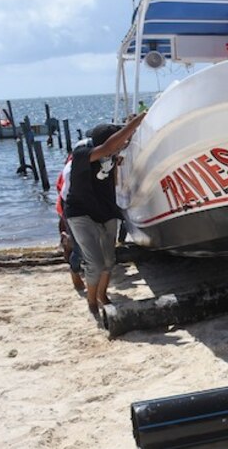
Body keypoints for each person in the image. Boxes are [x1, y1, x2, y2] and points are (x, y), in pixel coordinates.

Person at [65, 112, 146, 321]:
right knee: (95, 263)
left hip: (106, 211)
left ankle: (102, 295)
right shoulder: (83, 154)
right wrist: (135, 123)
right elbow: (110, 146)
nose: (120, 147)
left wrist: (133, 127)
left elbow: (119, 146)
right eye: (117, 143)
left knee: (109, 260)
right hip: (80, 213)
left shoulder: (113, 157)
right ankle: (92, 302)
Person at [55, 156, 85, 292]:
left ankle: (66, 240)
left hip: (68, 206)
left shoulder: (69, 166)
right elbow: (61, 190)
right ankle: (75, 271)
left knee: (77, 243)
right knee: (77, 246)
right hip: (68, 206)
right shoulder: (72, 168)